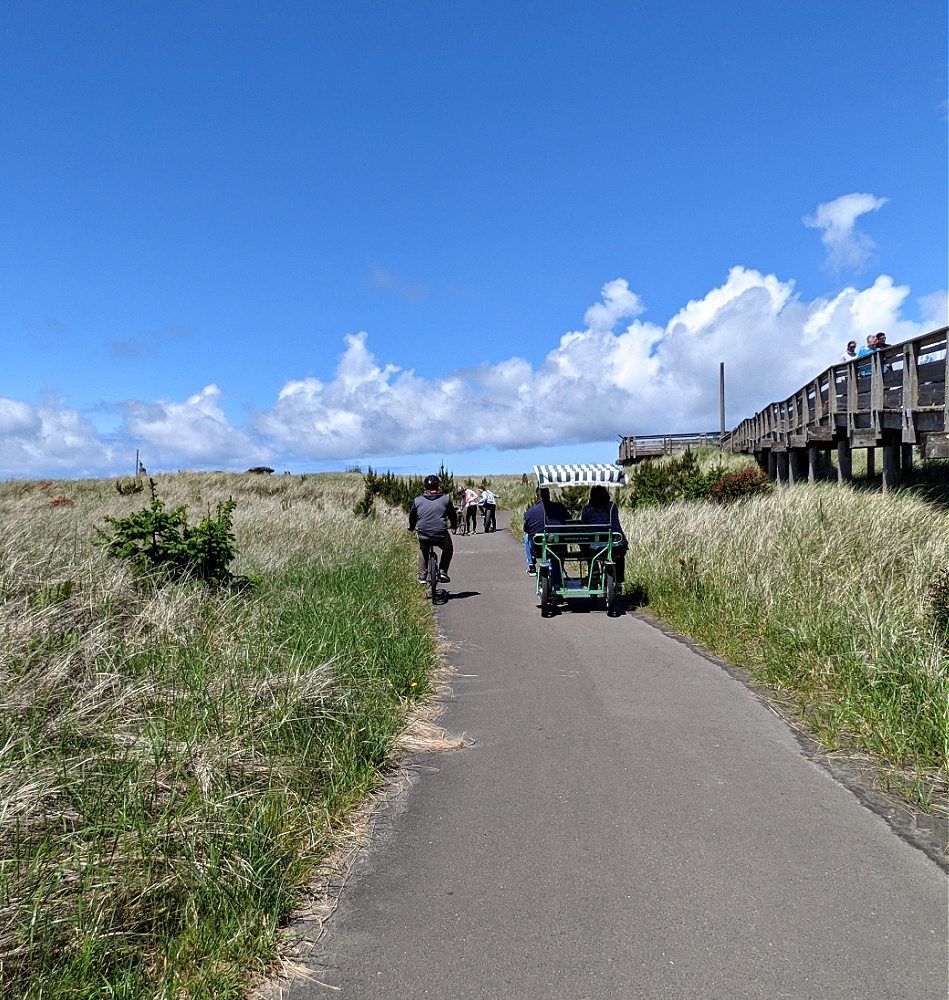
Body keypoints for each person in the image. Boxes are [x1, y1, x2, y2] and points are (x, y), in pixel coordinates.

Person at [408, 475, 457, 584]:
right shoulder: (445, 499)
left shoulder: (418, 500)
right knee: (448, 549)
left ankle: (421, 577)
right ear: (438, 486)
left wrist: (411, 527)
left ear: (425, 487)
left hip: (423, 534)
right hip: (441, 533)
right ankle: (443, 572)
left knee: (423, 549)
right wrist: (454, 525)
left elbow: (412, 516)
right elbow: (452, 515)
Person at [580, 485, 627, 587]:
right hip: (615, 542)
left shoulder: (587, 509)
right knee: (619, 557)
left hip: (594, 545)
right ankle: (618, 582)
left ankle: (594, 572)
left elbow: (583, 524)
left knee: (588, 550)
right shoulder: (612, 507)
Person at [522, 487, 568, 587]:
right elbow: (568, 521)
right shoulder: (559, 507)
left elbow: (526, 529)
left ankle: (531, 565)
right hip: (558, 547)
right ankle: (557, 583)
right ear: (549, 495)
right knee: (556, 556)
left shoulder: (530, 512)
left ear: (536, 496)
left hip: (539, 547)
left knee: (526, 537)